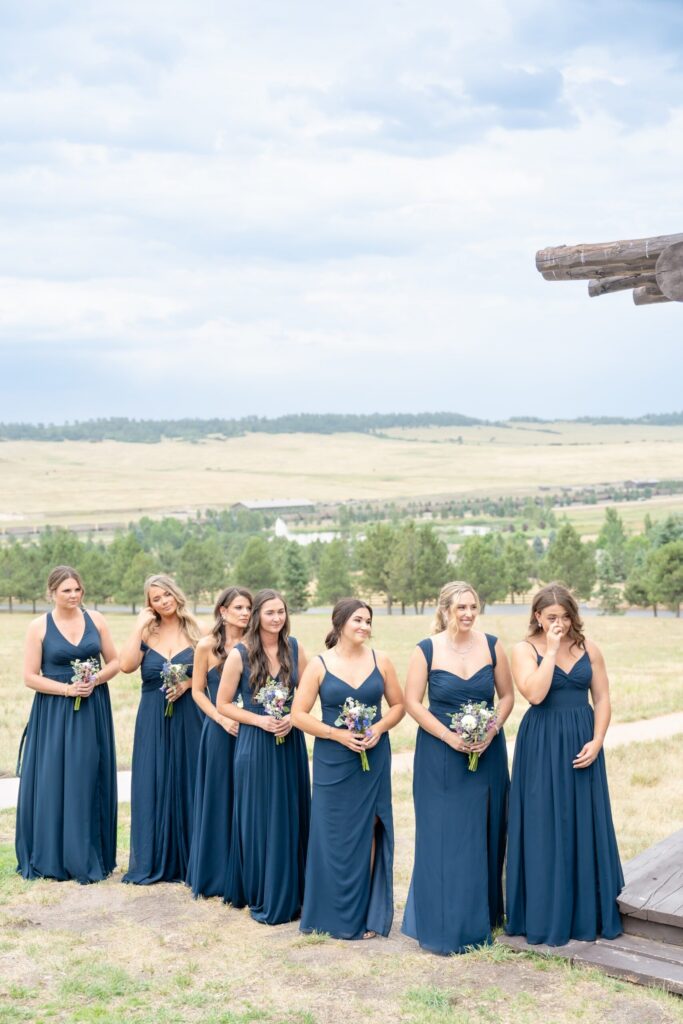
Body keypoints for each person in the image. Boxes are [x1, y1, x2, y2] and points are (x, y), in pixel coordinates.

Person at [506, 582, 624, 946]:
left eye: (566, 616)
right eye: (552, 617)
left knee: (582, 820)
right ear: (537, 617)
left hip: (582, 739)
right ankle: (544, 913)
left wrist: (598, 739)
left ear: (574, 616)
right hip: (542, 744)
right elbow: (535, 693)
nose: (560, 623)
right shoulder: (523, 650)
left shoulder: (590, 649)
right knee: (544, 822)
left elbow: (602, 698)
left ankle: (587, 911)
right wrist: (553, 650)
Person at [402, 581, 513, 955]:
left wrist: (492, 728)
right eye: (460, 607)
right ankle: (443, 917)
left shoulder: (493, 646)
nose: (467, 614)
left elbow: (507, 696)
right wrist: (449, 738)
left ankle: (484, 914)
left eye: (472, 607)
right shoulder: (426, 650)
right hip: (440, 754)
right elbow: (413, 703)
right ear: (445, 609)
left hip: (487, 752)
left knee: (486, 830)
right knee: (446, 834)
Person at [292, 598, 404, 940]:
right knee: (332, 832)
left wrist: (379, 728)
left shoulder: (380, 661)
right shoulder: (318, 665)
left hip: (373, 758)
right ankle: (327, 913)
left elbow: (398, 705)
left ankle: (364, 915)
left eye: (368, 621)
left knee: (369, 828)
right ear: (339, 622)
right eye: (358, 620)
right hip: (332, 759)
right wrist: (336, 734)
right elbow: (299, 714)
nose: (365, 627)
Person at [16, 565, 119, 882]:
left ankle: (90, 853)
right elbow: (29, 677)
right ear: (52, 593)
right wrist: (67, 689)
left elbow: (115, 662)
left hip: (93, 709)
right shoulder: (39, 627)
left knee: (89, 775)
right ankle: (53, 855)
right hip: (54, 714)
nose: (73, 596)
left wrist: (95, 679)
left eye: (77, 590)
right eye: (66, 591)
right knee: (54, 779)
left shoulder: (96, 620)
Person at [216, 589, 310, 924]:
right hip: (255, 743)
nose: (277, 618)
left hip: (289, 740)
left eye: (281, 612)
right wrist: (259, 720)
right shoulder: (240, 653)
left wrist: (294, 715)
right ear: (257, 615)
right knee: (258, 816)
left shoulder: (294, 648)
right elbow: (223, 704)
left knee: (291, 811)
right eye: (270, 612)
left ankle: (294, 890)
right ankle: (260, 888)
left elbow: (313, 688)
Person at [120, 574, 204, 884]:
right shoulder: (147, 633)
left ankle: (192, 859)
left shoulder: (196, 630)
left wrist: (186, 684)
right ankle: (153, 858)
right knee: (152, 779)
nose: (163, 601)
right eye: (156, 598)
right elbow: (126, 666)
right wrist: (138, 626)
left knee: (189, 778)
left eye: (166, 594)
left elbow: (215, 671)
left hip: (190, 716)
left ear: (175, 594)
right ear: (149, 604)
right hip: (153, 716)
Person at [186, 586, 252, 898]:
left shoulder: (255, 645)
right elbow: (198, 690)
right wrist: (221, 717)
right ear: (223, 611)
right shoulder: (206, 646)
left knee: (247, 799)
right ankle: (215, 875)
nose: (244, 613)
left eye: (248, 608)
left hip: (252, 731)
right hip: (218, 731)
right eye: (238, 607)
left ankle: (245, 871)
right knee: (219, 798)